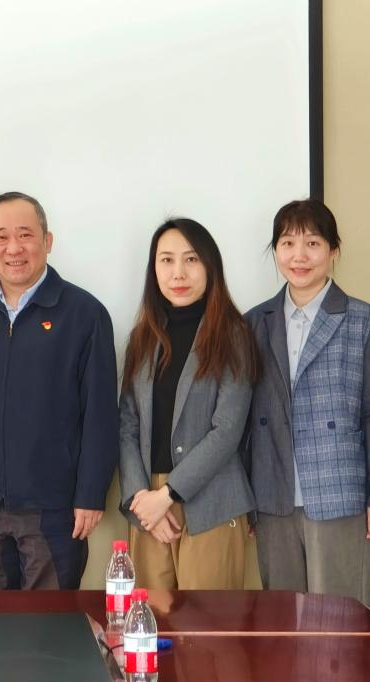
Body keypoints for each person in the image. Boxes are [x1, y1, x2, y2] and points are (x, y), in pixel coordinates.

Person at [0, 191, 118, 590]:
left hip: (53, 507)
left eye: (25, 235)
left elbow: (101, 417)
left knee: (49, 624)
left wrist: (90, 494)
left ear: (47, 241)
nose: (13, 248)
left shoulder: (84, 314)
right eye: (1, 237)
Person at [246, 198, 370, 607]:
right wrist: (247, 501)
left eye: (312, 243)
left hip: (340, 493)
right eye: (287, 243)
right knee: (282, 623)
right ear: (275, 250)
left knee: (341, 623)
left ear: (333, 250)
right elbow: (244, 417)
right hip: (272, 494)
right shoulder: (254, 322)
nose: (299, 256)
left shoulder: (363, 319)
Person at [118, 218, 260, 590]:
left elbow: (227, 430)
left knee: (208, 624)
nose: (178, 272)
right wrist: (141, 499)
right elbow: (127, 425)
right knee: (148, 620)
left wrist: (168, 495)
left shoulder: (233, 335)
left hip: (212, 499)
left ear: (210, 266)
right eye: (166, 260)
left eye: (191, 259)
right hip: (148, 506)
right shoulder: (142, 339)